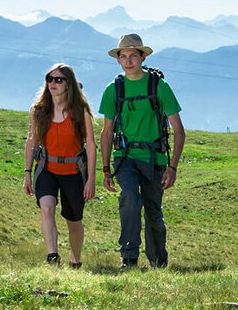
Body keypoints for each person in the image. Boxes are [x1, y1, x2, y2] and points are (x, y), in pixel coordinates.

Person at [99, 34, 185, 269]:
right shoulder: (113, 89)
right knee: (129, 198)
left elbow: (178, 130)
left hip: (155, 158)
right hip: (125, 158)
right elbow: (106, 133)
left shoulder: (159, 86)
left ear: (143, 57)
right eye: (123, 56)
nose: (128, 61)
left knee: (153, 213)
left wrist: (172, 167)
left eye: (133, 56)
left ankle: (158, 261)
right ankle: (129, 257)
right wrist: (106, 169)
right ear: (118, 60)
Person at [23, 63, 97, 268]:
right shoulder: (37, 110)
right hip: (46, 168)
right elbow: (31, 140)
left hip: (73, 172)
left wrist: (91, 180)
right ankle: (52, 257)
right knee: (46, 208)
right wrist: (27, 173)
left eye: (58, 79)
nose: (52, 83)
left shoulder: (80, 112)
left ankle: (76, 260)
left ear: (68, 84)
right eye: (49, 79)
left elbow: (91, 145)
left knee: (73, 220)